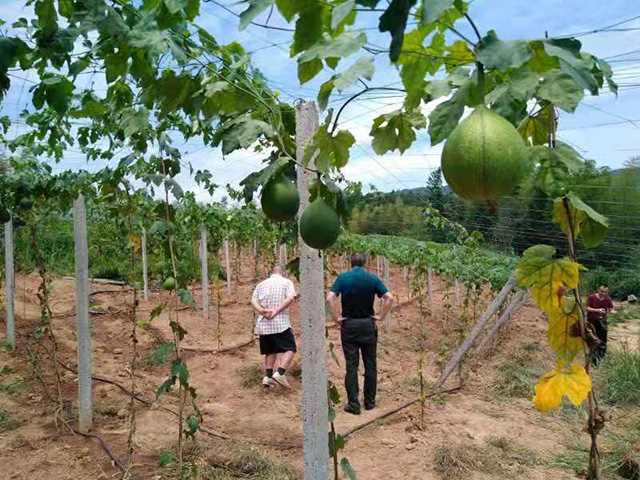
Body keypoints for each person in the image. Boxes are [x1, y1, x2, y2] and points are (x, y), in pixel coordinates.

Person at [326, 253, 394, 415]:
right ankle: (370, 402)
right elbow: (389, 298)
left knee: (352, 366)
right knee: (370, 364)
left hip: (349, 326)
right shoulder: (372, 279)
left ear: (351, 263)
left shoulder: (343, 278)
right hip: (368, 325)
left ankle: (354, 404)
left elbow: (329, 299)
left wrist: (337, 318)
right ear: (365, 263)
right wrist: (381, 316)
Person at [251, 265, 297, 388]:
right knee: (290, 348)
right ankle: (280, 373)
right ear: (283, 272)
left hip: (264, 324)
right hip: (280, 323)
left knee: (270, 350)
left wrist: (262, 311)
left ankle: (267, 377)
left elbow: (253, 301)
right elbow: (291, 297)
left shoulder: (262, 284)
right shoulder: (287, 282)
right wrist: (276, 310)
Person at [586, 284, 617, 366]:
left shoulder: (608, 299)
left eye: (605, 292)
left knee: (603, 341)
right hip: (592, 321)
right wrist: (597, 310)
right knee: (593, 340)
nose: (603, 293)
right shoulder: (592, 297)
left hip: (603, 322)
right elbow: (587, 308)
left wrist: (611, 311)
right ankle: (591, 360)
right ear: (598, 290)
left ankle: (599, 360)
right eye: (602, 291)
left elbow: (611, 308)